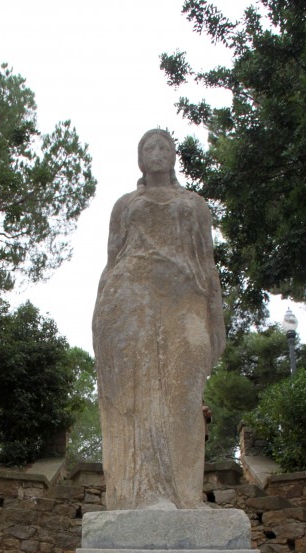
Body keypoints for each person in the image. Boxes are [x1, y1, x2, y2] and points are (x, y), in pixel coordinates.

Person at [92, 129, 225, 510]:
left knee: (183, 395)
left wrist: (216, 319)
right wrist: (97, 314)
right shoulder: (125, 204)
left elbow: (208, 263)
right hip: (129, 297)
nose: (156, 152)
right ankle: (142, 492)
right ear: (139, 157)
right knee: (139, 396)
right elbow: (111, 260)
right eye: (149, 146)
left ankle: (185, 494)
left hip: (185, 300)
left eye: (164, 146)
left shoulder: (194, 203)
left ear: (173, 156)